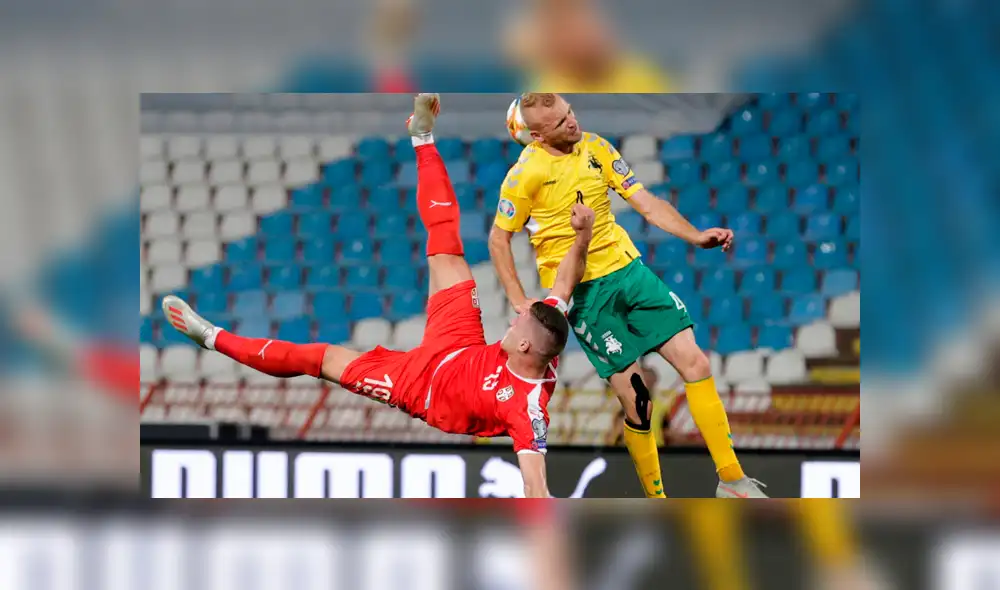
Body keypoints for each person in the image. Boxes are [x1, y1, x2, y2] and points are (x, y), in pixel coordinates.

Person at [161, 94, 595, 498]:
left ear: (524, 344)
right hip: (460, 345)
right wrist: (583, 236)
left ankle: (213, 338)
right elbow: (562, 286)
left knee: (322, 359)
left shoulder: (527, 409)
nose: (513, 316)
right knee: (447, 246)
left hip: (421, 387)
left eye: (518, 321)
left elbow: (536, 485)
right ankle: (422, 137)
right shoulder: (543, 333)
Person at [488, 92, 767, 498]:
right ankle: (657, 498)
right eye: (562, 120)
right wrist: (518, 299)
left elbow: (647, 204)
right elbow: (499, 240)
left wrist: (696, 235)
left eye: (571, 112)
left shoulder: (597, 146)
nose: (572, 122)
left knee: (696, 361)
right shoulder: (523, 174)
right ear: (536, 134)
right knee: (639, 403)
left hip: (629, 271)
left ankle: (732, 479)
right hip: (583, 294)